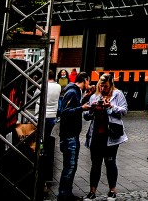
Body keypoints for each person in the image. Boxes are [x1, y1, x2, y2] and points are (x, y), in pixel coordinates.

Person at [82, 73, 128, 199]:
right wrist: (91, 109)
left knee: (110, 162)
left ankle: (112, 190)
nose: (103, 89)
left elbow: (124, 110)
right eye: (101, 86)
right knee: (95, 164)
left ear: (111, 85)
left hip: (111, 134)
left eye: (106, 86)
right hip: (96, 134)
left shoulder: (117, 94)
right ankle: (92, 191)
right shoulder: (94, 96)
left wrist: (111, 106)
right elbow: (86, 116)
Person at [56, 70, 83, 201]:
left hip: (71, 134)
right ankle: (63, 194)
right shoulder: (72, 92)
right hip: (69, 135)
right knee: (70, 166)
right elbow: (65, 112)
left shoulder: (74, 92)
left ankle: (67, 193)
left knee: (71, 166)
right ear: (86, 80)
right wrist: (82, 108)